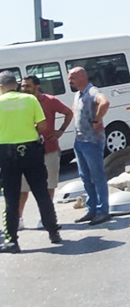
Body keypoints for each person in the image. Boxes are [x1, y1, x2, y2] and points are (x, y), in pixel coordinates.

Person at [0, 70, 62, 253]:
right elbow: (43, 126)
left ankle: (11, 241)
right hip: (31, 150)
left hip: (7, 152)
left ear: (1, 86)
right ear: (16, 84)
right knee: (42, 193)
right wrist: (29, 127)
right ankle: (53, 232)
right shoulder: (30, 100)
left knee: (11, 197)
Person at [19, 75, 73, 229]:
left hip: (49, 149)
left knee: (49, 186)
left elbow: (69, 113)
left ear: (37, 87)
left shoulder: (49, 101)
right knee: (23, 188)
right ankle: (18, 219)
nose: (24, 89)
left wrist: (60, 131)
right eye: (22, 86)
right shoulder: (21, 103)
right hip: (27, 152)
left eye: (27, 86)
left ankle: (46, 218)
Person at [68, 67, 111, 225]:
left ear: (82, 76)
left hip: (92, 142)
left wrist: (97, 120)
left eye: (72, 77)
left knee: (97, 176)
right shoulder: (78, 94)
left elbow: (105, 103)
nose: (69, 80)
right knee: (85, 177)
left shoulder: (92, 91)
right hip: (80, 141)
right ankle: (92, 210)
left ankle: (103, 211)